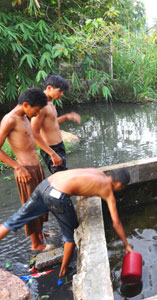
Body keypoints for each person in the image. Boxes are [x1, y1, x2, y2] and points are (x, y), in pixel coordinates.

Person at [0, 168, 134, 280]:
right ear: (119, 185)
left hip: (45, 184)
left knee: (14, 219)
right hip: (57, 196)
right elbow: (116, 223)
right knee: (71, 236)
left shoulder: (97, 172)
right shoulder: (108, 191)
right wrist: (126, 245)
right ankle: (63, 272)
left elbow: (83, 185)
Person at [0, 88, 51, 251]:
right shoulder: (10, 119)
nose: (36, 115)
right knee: (31, 206)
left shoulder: (24, 117)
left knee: (41, 203)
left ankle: (40, 234)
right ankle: (35, 244)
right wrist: (17, 167)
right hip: (25, 170)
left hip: (35, 167)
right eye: (35, 111)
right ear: (27, 105)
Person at [31, 74, 81, 173]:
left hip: (59, 146)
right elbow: (34, 133)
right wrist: (52, 154)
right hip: (51, 149)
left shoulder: (49, 102)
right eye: (60, 91)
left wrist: (66, 117)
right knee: (60, 177)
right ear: (49, 88)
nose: (62, 94)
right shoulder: (40, 106)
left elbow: (51, 123)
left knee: (62, 175)